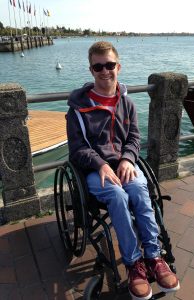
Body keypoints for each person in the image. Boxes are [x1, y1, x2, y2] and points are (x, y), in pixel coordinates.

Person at [67, 41, 180, 300]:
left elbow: (134, 138)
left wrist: (128, 159)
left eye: (109, 65)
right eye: (98, 67)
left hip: (124, 165)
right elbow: (77, 150)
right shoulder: (77, 110)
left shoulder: (126, 103)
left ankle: (154, 256)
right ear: (91, 70)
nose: (105, 71)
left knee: (140, 188)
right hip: (96, 171)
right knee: (118, 196)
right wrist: (101, 164)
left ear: (118, 66)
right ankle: (133, 264)